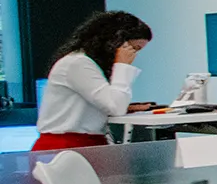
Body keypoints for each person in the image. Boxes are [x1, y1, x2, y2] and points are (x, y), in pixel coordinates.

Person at [33, 11, 154, 151]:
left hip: (79, 144)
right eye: (133, 48)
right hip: (67, 146)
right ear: (116, 42)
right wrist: (122, 66)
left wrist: (129, 107)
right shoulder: (78, 63)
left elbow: (96, 103)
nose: (134, 55)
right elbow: (115, 107)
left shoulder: (83, 63)